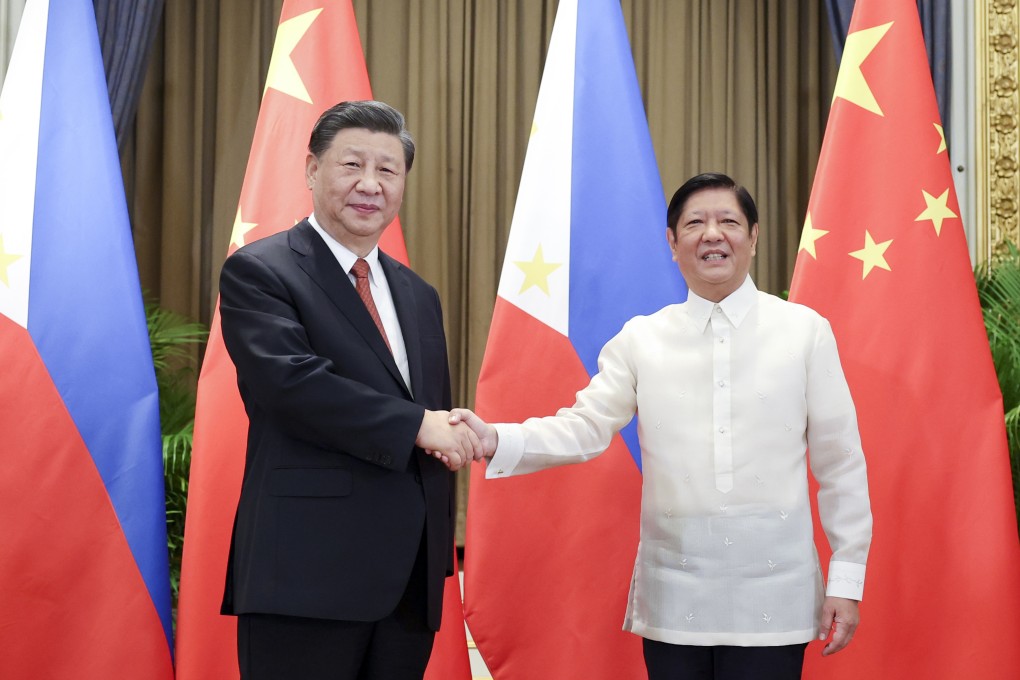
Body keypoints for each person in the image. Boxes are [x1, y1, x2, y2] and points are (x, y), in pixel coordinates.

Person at [453, 173, 873, 680]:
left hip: (777, 597)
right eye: (695, 224)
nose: (712, 234)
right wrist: (496, 438)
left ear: (754, 236)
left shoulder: (805, 331)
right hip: (675, 598)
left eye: (728, 221)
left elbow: (841, 464)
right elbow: (585, 426)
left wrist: (846, 581)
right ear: (672, 243)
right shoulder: (642, 339)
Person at [218, 100, 479, 680]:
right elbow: (291, 385)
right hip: (305, 573)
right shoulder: (261, 270)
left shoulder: (419, 295)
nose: (370, 184)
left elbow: (427, 410)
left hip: (408, 582)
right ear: (312, 170)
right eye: (352, 165)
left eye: (388, 170)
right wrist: (419, 426)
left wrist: (448, 431)